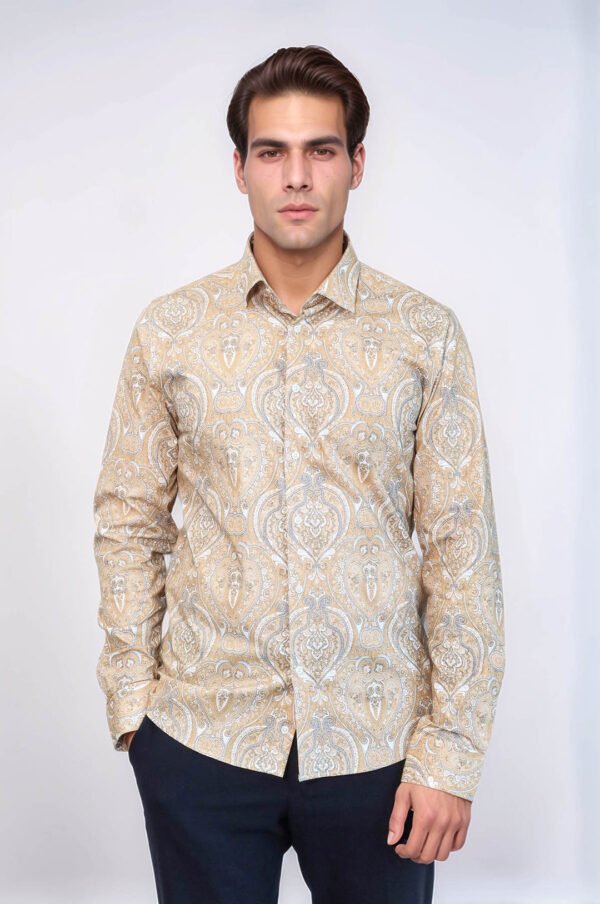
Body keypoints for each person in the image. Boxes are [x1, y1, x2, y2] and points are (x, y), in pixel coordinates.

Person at [92, 44, 505, 904]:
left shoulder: (424, 335)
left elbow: (462, 548)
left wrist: (451, 755)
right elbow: (129, 521)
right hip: (202, 740)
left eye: (321, 149)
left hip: (377, 750)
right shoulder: (170, 332)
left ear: (357, 163)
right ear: (239, 168)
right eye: (271, 151)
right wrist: (135, 710)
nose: (297, 176)